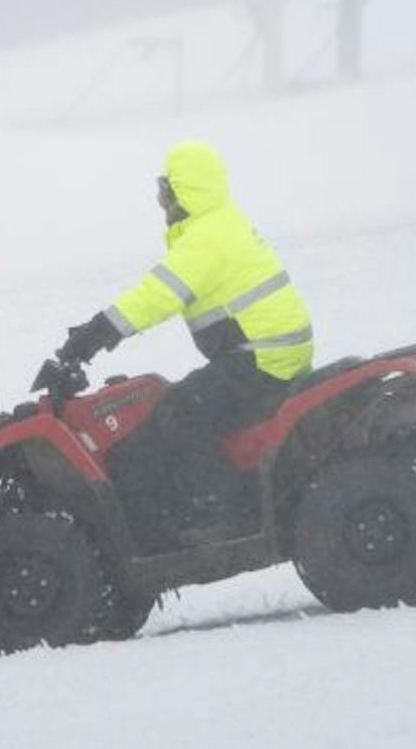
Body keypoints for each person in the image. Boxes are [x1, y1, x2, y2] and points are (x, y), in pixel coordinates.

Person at [45, 139, 314, 544]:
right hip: (272, 352)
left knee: (178, 414)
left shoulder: (206, 238)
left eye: (165, 191)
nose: (161, 202)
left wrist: (93, 335)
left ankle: (224, 510)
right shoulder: (223, 223)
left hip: (262, 359)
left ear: (187, 190)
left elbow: (156, 295)